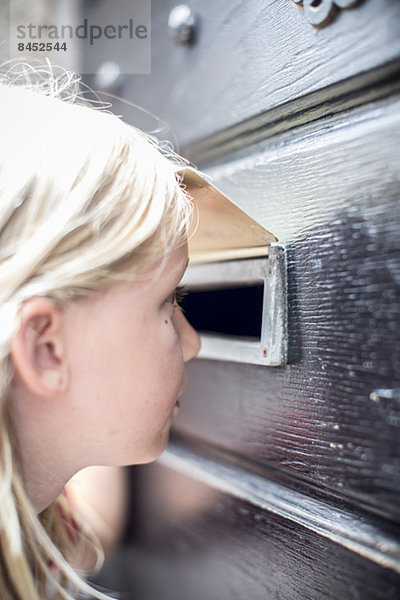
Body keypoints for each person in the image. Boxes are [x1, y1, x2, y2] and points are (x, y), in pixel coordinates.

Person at [0, 62, 201, 599]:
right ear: (46, 349)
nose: (193, 341)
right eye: (169, 302)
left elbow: (90, 527)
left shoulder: (35, 525)